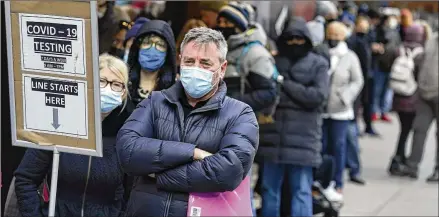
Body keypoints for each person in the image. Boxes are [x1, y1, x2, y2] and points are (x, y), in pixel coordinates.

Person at [116, 27, 258, 217]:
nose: (195, 69)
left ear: (222, 68)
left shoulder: (240, 114)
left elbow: (229, 170)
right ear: (180, 61)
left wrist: (158, 175)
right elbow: (127, 149)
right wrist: (193, 152)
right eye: (189, 61)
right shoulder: (155, 102)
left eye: (205, 63)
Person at [14, 54, 130, 217]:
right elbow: (25, 179)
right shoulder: (59, 123)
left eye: (116, 84)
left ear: (123, 93)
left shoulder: (127, 135)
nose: (108, 88)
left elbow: (130, 191)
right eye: (101, 81)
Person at [258, 17, 329, 217]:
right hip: (274, 137)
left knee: (301, 190)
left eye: (299, 39)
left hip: (302, 139)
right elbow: (266, 94)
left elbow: (317, 97)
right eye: (291, 39)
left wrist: (285, 84)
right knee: (270, 190)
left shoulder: (319, 64)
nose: (295, 43)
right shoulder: (273, 61)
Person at [322, 21, 364, 195]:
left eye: (336, 37)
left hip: (341, 111)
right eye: (330, 36)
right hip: (322, 110)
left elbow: (357, 80)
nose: (332, 39)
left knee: (339, 147)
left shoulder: (350, 56)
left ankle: (338, 181)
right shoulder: (322, 53)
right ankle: (323, 180)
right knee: (323, 147)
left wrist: (345, 97)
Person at [215, 3, 278, 113]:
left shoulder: (255, 53)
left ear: (239, 27)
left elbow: (268, 93)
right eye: (219, 22)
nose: (222, 26)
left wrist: (231, 104)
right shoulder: (220, 50)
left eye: (227, 23)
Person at [388, 24, 426, 176]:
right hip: (413, 98)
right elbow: (420, 76)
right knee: (407, 131)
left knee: (403, 130)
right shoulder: (421, 54)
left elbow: (386, 63)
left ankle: (399, 158)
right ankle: (398, 159)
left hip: (398, 97)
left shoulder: (399, 49)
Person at [403, 32, 438, 182]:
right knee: (419, 130)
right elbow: (420, 62)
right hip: (425, 94)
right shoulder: (431, 39)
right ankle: (412, 166)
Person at [126, 20, 177, 106]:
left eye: (160, 44)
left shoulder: (174, 90)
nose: (152, 49)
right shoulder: (122, 83)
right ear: (138, 47)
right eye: (147, 43)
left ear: (168, 52)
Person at [347, 16, 379, 136]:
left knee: (367, 103)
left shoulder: (367, 40)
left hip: (367, 76)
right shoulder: (354, 40)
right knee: (357, 104)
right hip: (359, 76)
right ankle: (355, 130)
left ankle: (367, 126)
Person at [372, 14, 401, 122]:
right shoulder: (380, 31)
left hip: (391, 66)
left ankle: (384, 111)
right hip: (380, 65)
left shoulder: (396, 33)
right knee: (377, 91)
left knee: (386, 91)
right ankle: (375, 111)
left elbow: (398, 46)